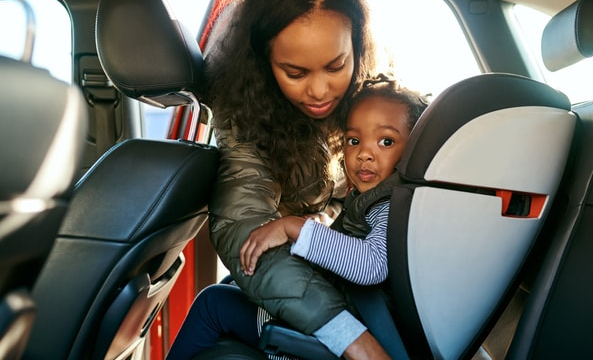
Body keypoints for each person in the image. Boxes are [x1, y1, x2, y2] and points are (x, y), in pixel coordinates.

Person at [202, 0, 387, 360]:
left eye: (336, 66)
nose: (320, 91)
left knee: (211, 307)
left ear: (356, 46)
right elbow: (243, 224)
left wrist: (301, 229)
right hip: (321, 282)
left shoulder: (378, 108)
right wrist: (346, 335)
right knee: (214, 300)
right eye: (295, 73)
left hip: (361, 287)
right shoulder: (245, 122)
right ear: (264, 64)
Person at [166, 77, 428, 360]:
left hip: (339, 335)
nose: (365, 153)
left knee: (212, 304)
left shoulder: (390, 206)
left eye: (386, 141)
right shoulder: (379, 200)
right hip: (347, 313)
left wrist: (294, 227)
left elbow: (371, 265)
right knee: (229, 286)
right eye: (354, 140)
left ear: (413, 153)